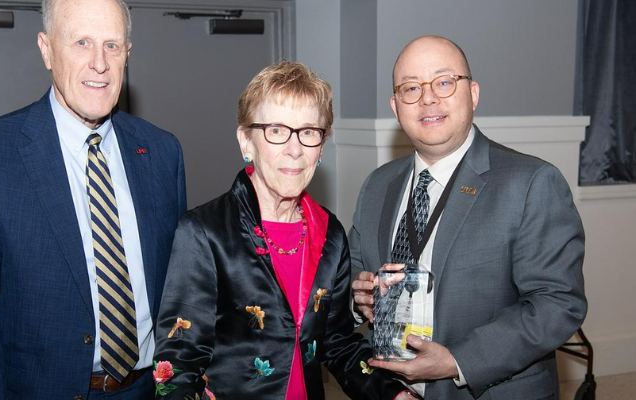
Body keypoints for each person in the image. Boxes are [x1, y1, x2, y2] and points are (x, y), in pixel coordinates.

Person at [0, 0, 186, 398]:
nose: (99, 64)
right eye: (81, 43)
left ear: (127, 54)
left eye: (112, 45)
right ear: (46, 49)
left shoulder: (161, 152)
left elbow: (178, 293)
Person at [152, 61, 411, 400]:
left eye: (308, 132)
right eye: (276, 130)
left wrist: (393, 394)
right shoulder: (204, 232)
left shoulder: (329, 232)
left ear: (321, 146)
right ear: (246, 142)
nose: (295, 148)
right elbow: (178, 364)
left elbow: (338, 343)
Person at [350, 35, 587, 399]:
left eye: (444, 82)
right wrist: (358, 298)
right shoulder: (377, 186)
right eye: (411, 88)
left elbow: (556, 304)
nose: (428, 97)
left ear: (472, 94)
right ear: (396, 108)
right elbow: (351, 278)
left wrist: (457, 360)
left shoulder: (531, 183)